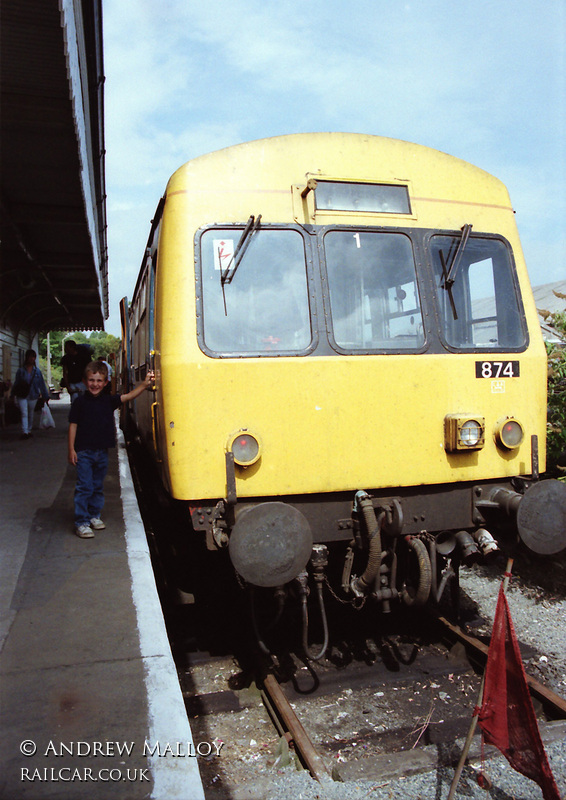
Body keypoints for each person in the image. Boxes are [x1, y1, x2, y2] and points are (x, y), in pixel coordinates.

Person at [68, 360, 154, 539]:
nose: (95, 384)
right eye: (92, 380)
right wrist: (71, 449)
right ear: (85, 381)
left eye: (99, 381)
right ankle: (81, 522)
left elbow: (129, 396)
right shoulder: (79, 403)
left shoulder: (108, 401)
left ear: (105, 382)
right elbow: (73, 426)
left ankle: (94, 515)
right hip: (83, 451)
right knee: (84, 486)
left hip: (102, 452)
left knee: (98, 486)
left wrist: (145, 384)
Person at [12, 350, 50, 439]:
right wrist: (13, 394)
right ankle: (24, 431)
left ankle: (29, 430)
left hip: (33, 395)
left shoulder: (37, 371)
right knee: (24, 412)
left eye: (33, 357)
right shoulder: (21, 371)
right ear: (26, 358)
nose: (32, 359)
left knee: (30, 413)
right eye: (30, 357)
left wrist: (45, 396)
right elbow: (16, 383)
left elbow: (41, 384)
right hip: (22, 394)